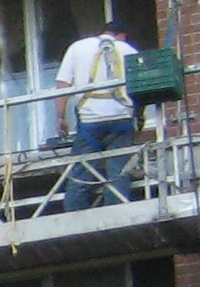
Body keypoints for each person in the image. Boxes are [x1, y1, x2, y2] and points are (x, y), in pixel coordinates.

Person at [53, 20, 143, 210]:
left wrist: (61, 117)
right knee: (119, 174)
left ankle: (74, 218)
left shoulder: (78, 47)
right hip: (121, 120)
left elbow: (63, 85)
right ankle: (116, 216)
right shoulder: (129, 50)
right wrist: (139, 118)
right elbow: (141, 90)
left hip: (89, 122)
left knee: (81, 175)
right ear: (122, 36)